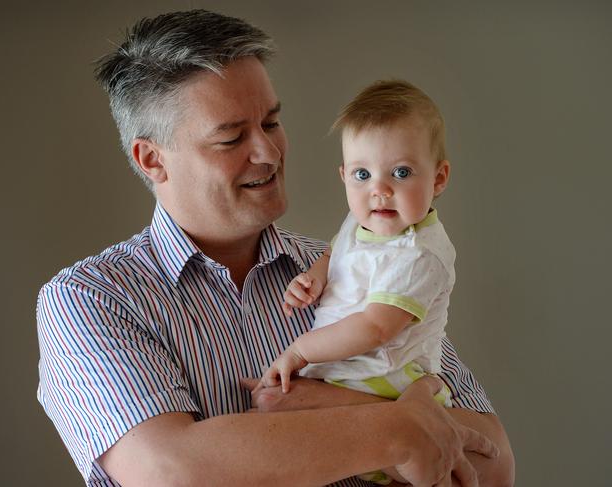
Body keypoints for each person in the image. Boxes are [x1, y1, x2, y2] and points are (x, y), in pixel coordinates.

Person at [36, 9, 514, 487]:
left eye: (271, 122)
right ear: (152, 159)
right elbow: (173, 471)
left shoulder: (364, 261)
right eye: (231, 137)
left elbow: (494, 465)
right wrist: (396, 429)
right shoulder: (92, 299)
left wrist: (326, 406)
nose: (268, 152)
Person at [257, 80, 458, 485]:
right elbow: (337, 252)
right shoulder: (361, 220)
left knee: (274, 415)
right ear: (344, 175)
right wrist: (314, 277)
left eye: (401, 172)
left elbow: (375, 327)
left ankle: (410, 457)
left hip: (386, 381)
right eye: (363, 174)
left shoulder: (417, 254)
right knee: (273, 419)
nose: (380, 190)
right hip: (353, 372)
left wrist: (299, 352)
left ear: (438, 179)